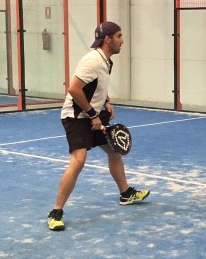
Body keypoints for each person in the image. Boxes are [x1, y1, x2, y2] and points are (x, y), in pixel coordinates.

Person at [47, 21, 150, 231]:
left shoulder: (106, 60)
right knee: (78, 161)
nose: (122, 41)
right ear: (108, 39)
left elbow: (97, 85)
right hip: (76, 116)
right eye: (119, 36)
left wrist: (107, 102)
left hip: (92, 113)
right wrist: (94, 115)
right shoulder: (93, 60)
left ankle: (126, 193)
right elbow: (74, 89)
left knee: (113, 150)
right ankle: (56, 212)